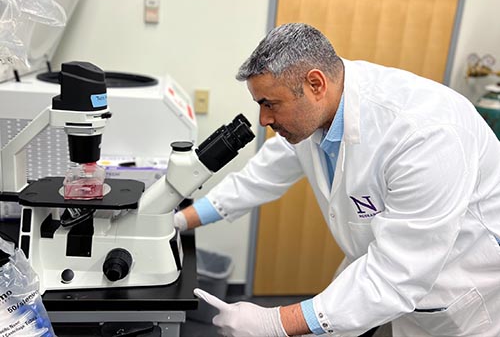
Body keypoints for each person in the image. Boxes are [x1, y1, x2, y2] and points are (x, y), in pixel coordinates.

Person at [175, 23, 500, 336]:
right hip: (375, 275)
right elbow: (258, 179)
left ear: (315, 84)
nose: (264, 120)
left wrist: (276, 322)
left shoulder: (424, 134)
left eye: (270, 104)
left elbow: (396, 276)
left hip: (457, 296)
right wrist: (179, 221)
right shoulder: (318, 114)